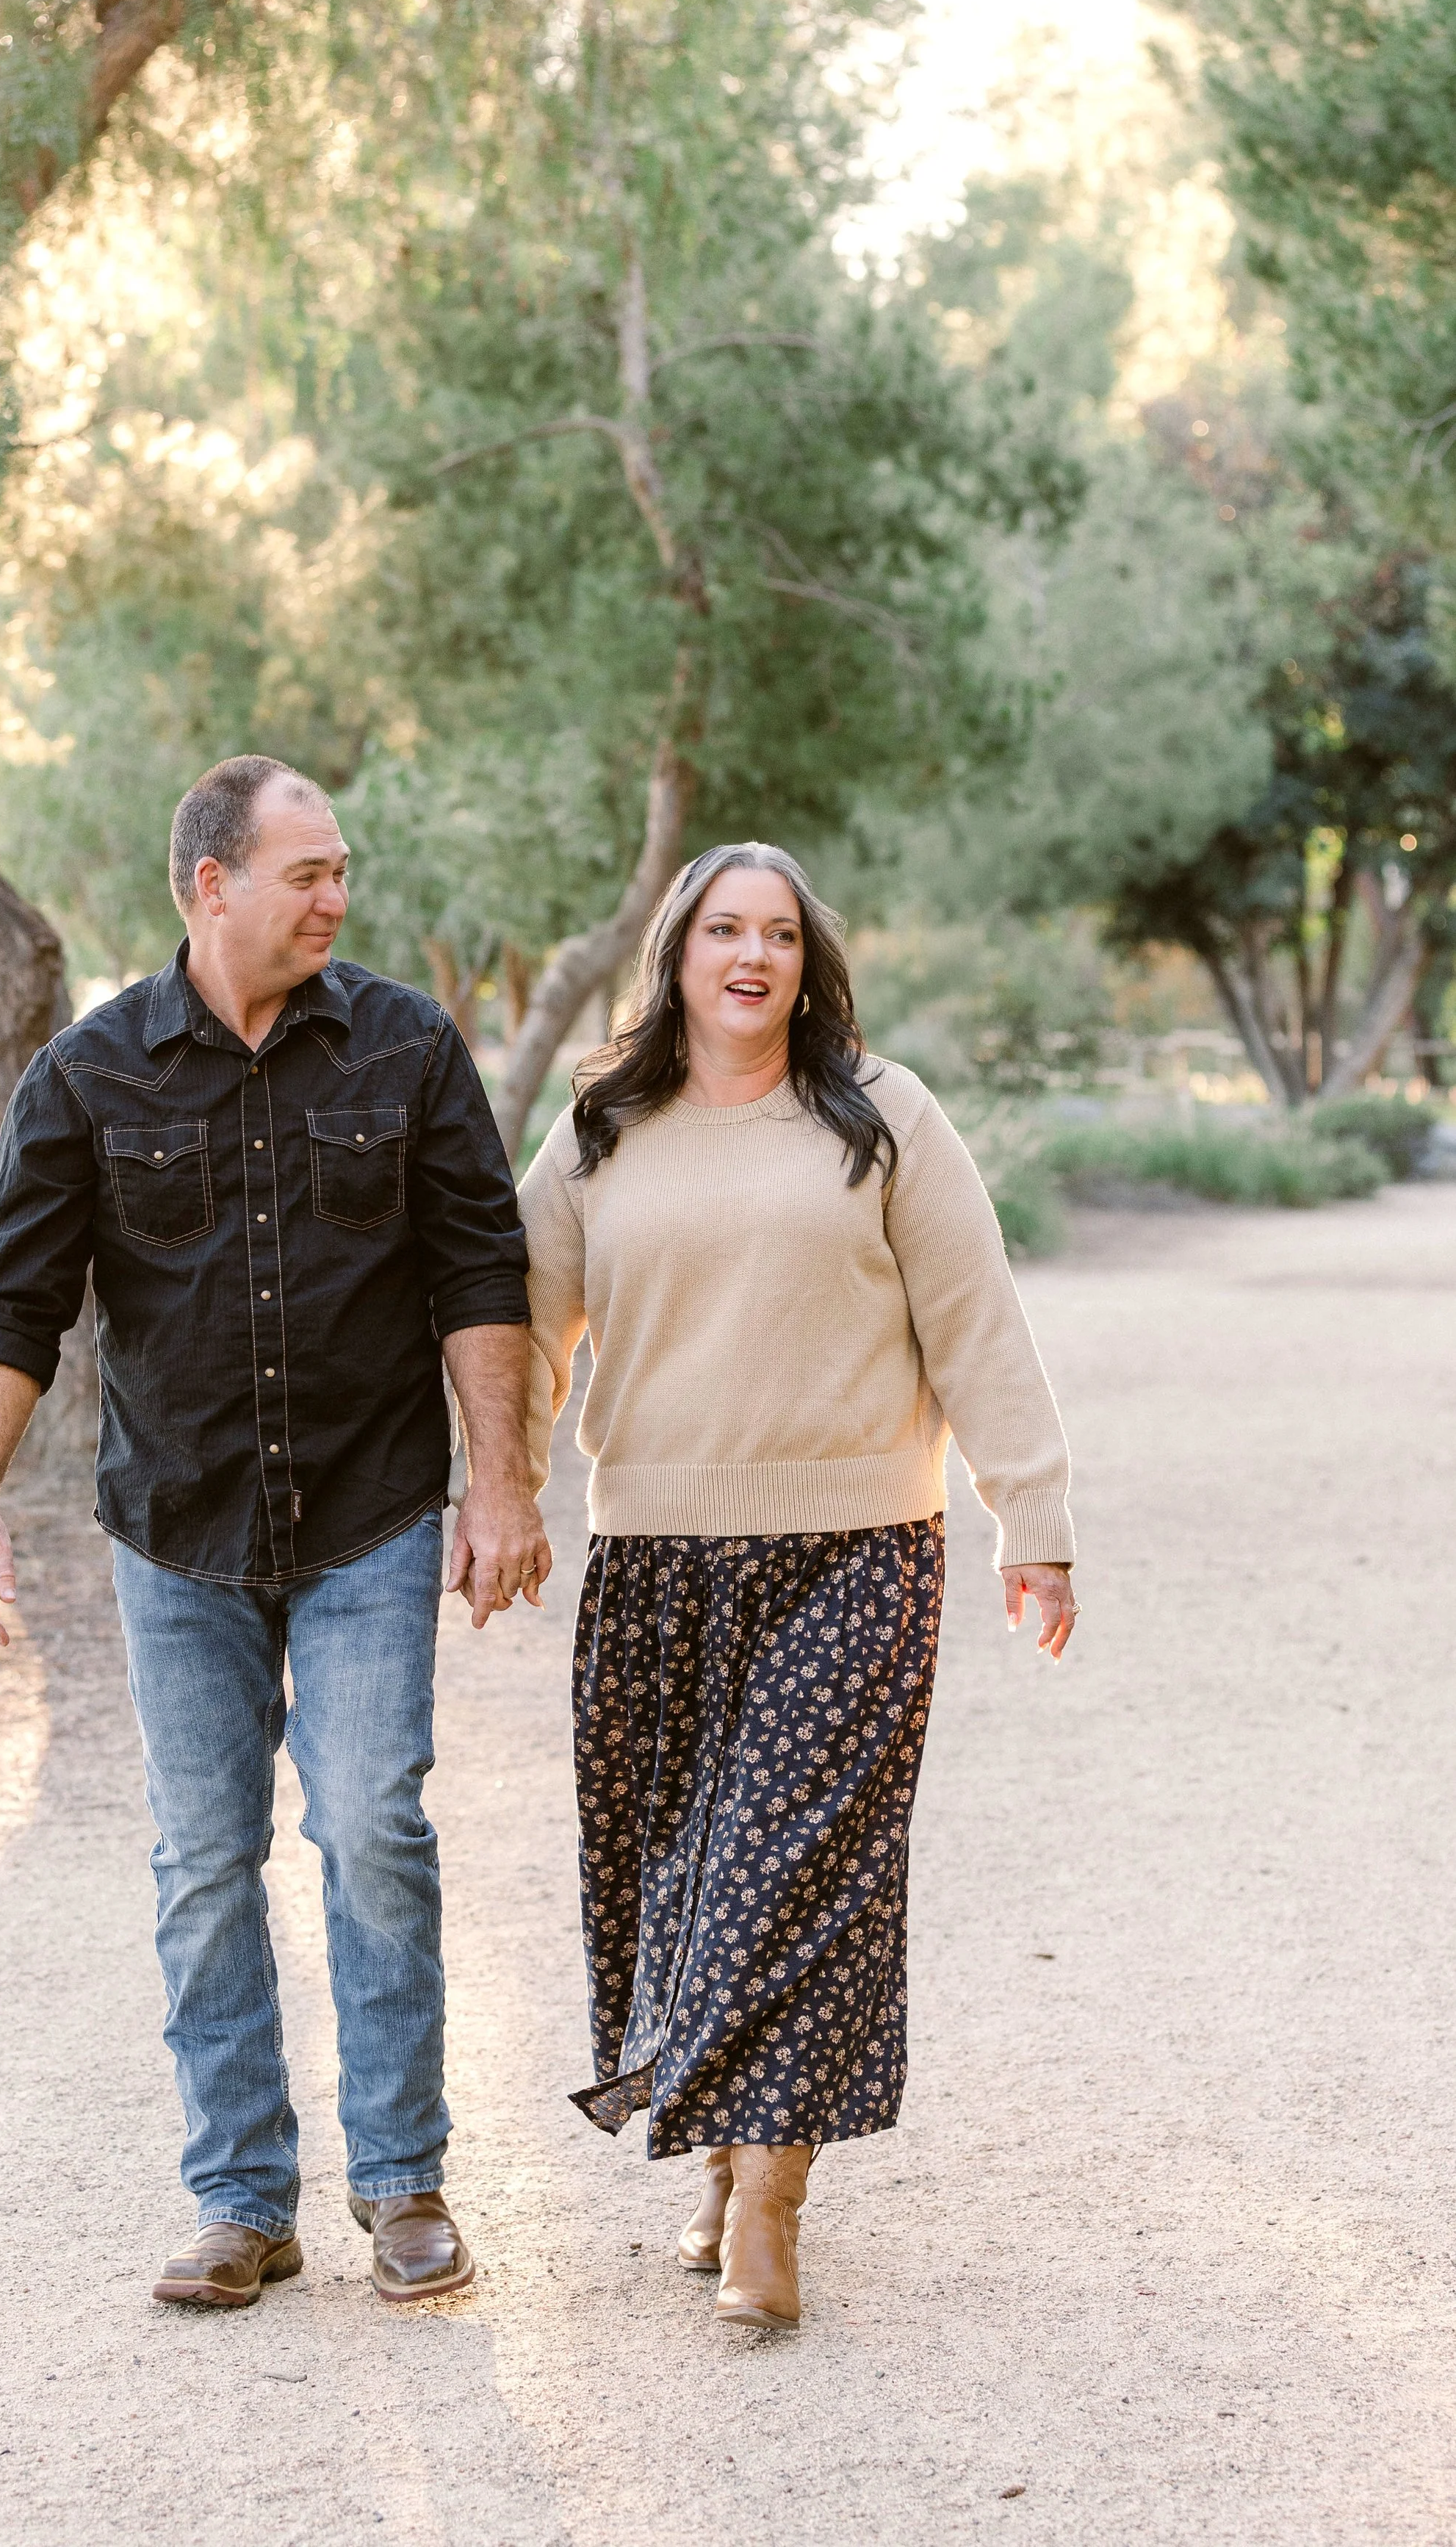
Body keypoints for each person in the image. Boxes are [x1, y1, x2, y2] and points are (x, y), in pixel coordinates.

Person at [0, 755, 550, 2309]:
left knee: (373, 1834)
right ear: (211, 886)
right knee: (205, 1862)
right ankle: (240, 2200)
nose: (336, 897)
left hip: (368, 1515)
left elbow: (480, 1268)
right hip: (176, 1529)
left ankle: (402, 2183)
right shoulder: (86, 1076)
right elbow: (13, 1304)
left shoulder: (406, 1046)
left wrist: (502, 1483)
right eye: (307, 872)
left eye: (340, 870)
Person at [519, 841, 1076, 2333]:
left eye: (777, 933)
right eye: (721, 930)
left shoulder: (881, 1118)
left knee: (796, 1873)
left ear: (806, 962)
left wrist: (1031, 1514)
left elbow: (972, 1319)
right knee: (680, 1881)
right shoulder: (596, 1131)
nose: (749, 954)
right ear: (677, 956)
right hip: (652, 1561)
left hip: (856, 1549)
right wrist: (497, 1492)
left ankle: (770, 2200)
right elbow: (519, 1332)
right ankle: (718, 2151)